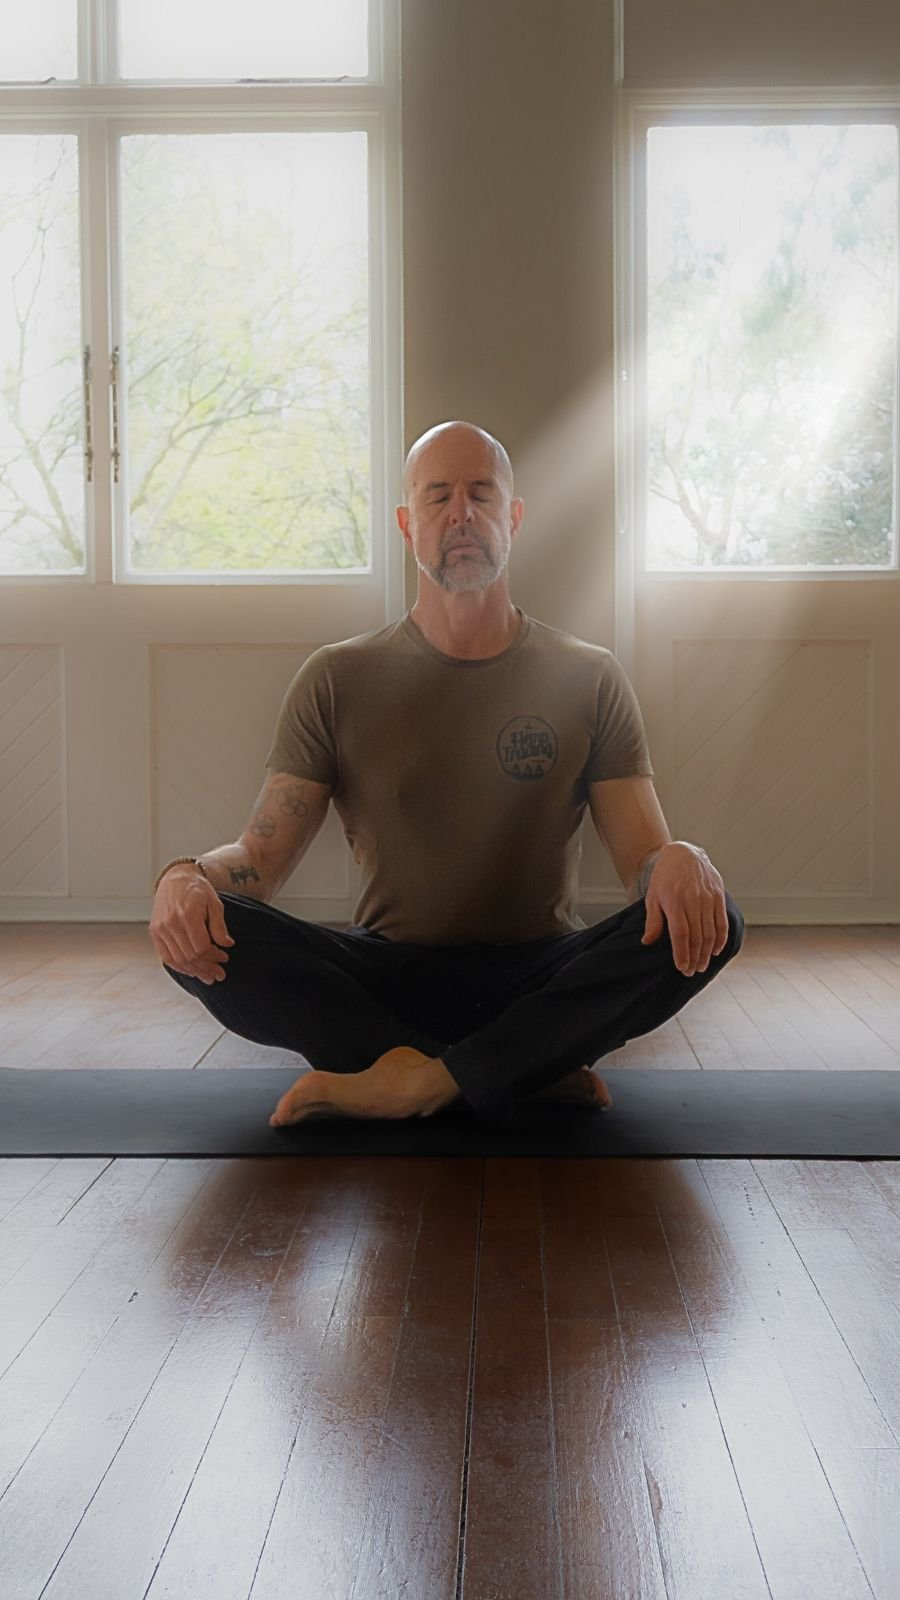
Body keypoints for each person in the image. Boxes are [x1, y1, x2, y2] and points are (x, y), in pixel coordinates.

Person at [149, 420, 744, 1128]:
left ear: (512, 519)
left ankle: (415, 1079)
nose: (461, 513)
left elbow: (645, 862)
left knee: (716, 917)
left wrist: (682, 858)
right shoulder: (336, 678)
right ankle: (517, 1069)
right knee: (195, 930)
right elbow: (259, 858)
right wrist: (183, 877)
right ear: (408, 525)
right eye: (438, 497)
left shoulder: (589, 676)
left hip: (538, 976)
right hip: (385, 979)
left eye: (481, 495)